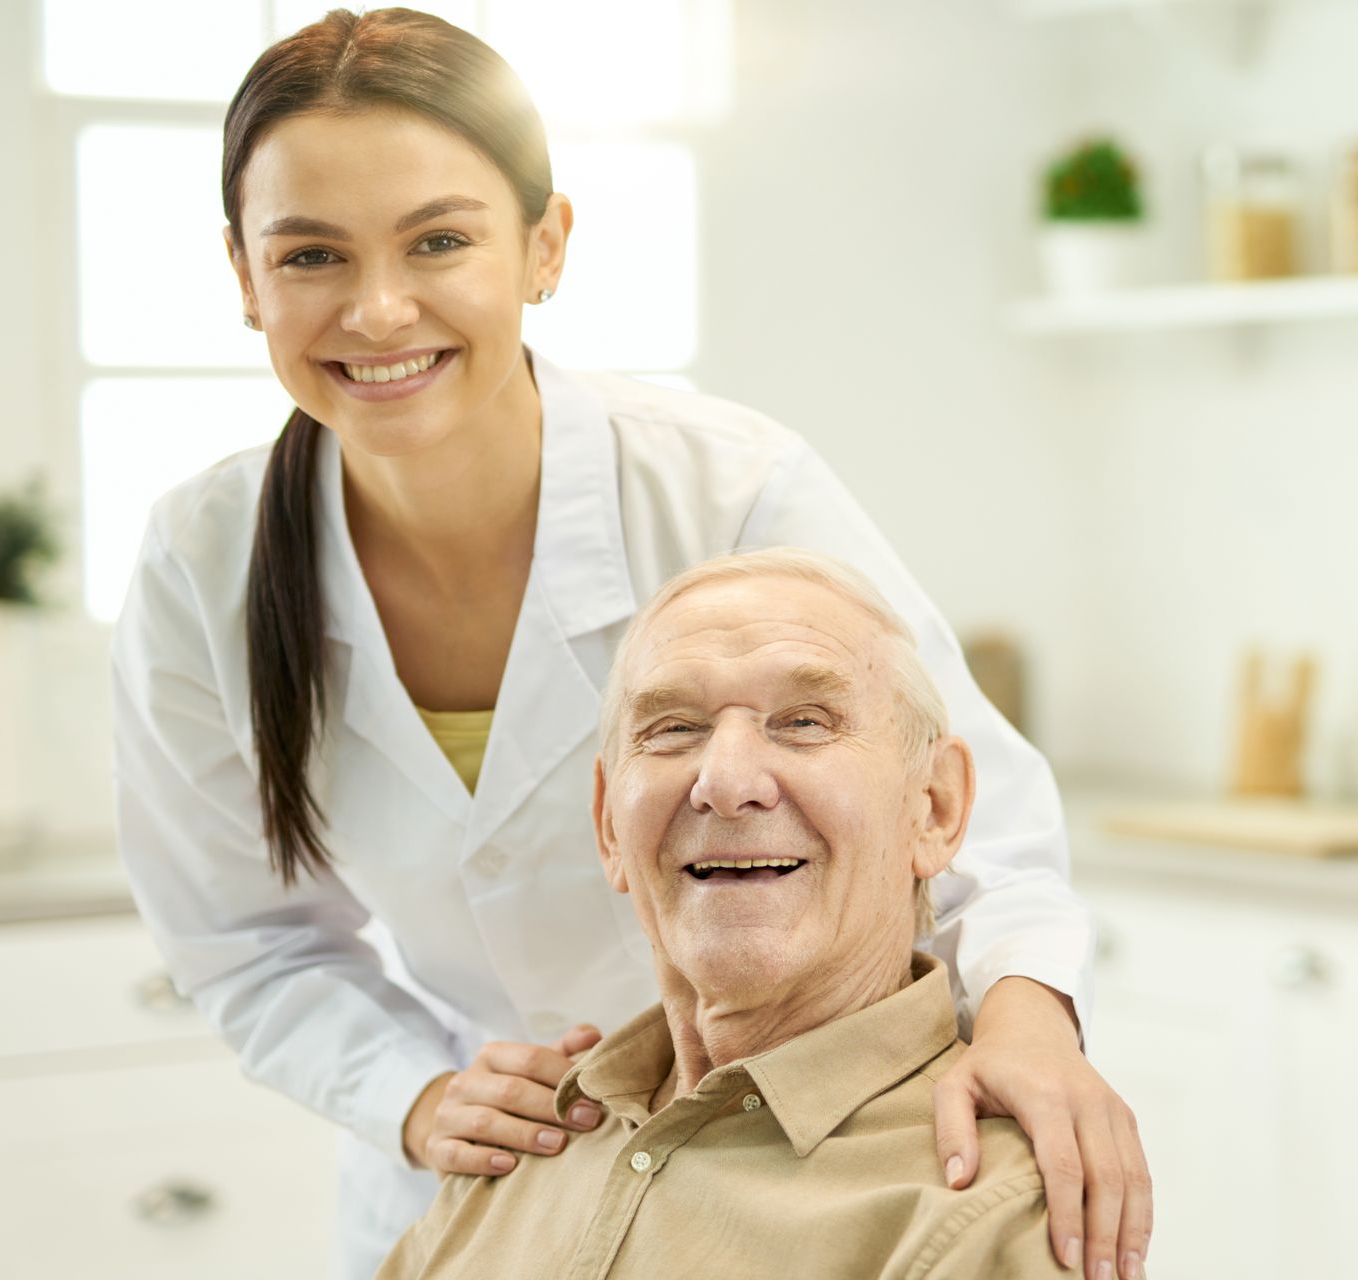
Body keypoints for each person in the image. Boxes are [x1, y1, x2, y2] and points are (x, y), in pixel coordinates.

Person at [110, 8, 1150, 1279]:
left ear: (544, 247)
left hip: (770, 1131)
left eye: (439, 239)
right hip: (476, 1162)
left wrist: (1033, 1025)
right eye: (312, 254)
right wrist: (418, 1092)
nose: (378, 310)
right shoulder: (198, 563)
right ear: (242, 276)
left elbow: (963, 799)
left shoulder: (726, 488)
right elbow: (242, 938)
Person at [380, 549, 1078, 1279]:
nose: (725, 781)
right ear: (609, 827)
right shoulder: (517, 1146)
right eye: (673, 728)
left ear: (933, 808)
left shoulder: (994, 1215)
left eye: (805, 722)